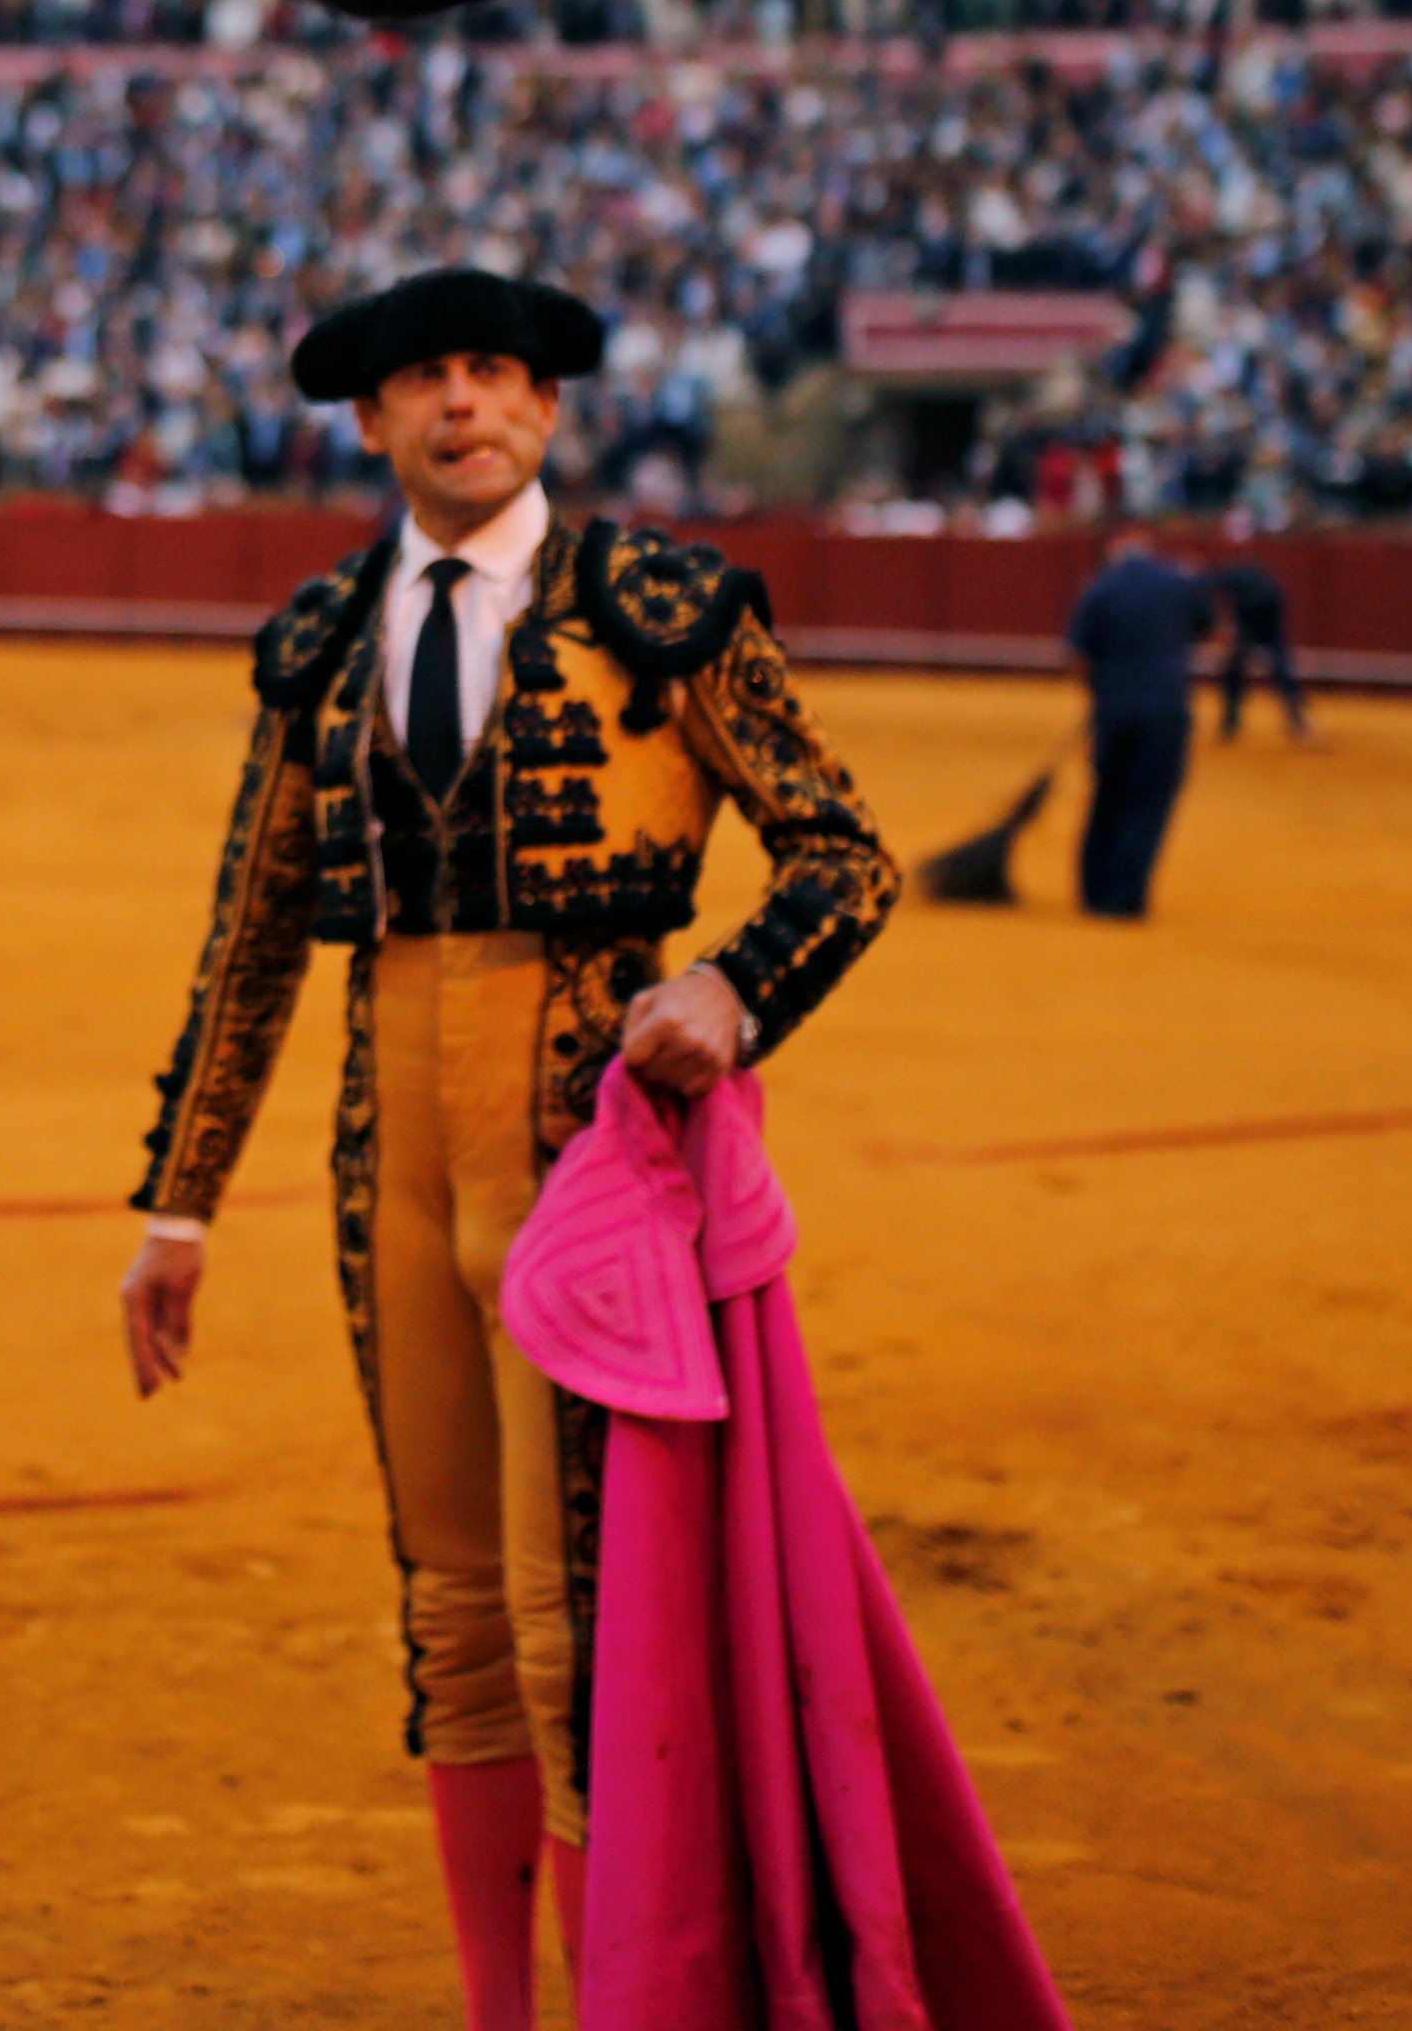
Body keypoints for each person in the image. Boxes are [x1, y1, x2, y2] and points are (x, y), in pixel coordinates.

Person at [120, 264, 896, 2031]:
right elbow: (250, 942)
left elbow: (843, 855)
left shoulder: (662, 606)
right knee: (452, 1623)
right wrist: (176, 1209)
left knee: (584, 1636)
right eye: (425, 381)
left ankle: (630, 1999)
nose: (461, 402)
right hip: (381, 1156)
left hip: (587, 1170)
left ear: (545, 410)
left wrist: (731, 986)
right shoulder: (320, 642)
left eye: (492, 374)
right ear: (371, 421)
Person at [1062, 520, 1207, 916]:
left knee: (1108, 798)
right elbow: (1209, 630)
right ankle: (1125, 897)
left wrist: (1100, 694)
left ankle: (1093, 892)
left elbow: (1077, 658)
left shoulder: (1100, 589)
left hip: (1113, 711)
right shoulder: (1181, 583)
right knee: (1147, 803)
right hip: (1165, 710)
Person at [1201, 538, 1308, 745]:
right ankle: (1298, 721)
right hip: (1267, 626)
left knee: (1235, 670)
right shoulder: (1266, 583)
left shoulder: (1231, 576)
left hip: (1257, 625)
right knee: (1281, 670)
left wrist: (1224, 627)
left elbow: (1207, 587)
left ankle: (1230, 724)